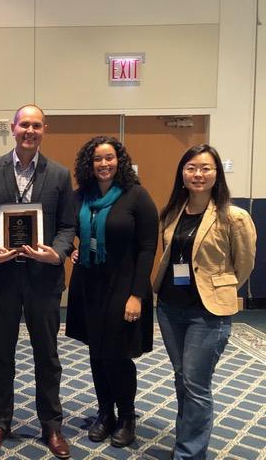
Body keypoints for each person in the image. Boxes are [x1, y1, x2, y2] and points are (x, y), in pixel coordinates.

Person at [0, 105, 75, 459]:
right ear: (13, 129)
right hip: (2, 277)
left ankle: (52, 424)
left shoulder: (60, 175)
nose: (29, 131)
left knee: (47, 354)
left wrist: (57, 254)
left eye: (36, 125)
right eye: (24, 125)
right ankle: (0, 422)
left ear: (43, 129)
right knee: (2, 353)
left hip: (43, 278)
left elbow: (67, 226)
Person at [153, 144, 256, 460]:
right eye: (191, 168)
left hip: (207, 312)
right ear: (182, 174)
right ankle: (187, 438)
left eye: (205, 168)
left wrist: (219, 289)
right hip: (170, 307)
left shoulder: (234, 216)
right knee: (181, 377)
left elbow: (245, 264)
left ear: (217, 174)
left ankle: (189, 453)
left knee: (196, 384)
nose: (198, 174)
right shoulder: (172, 212)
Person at [66, 136, 158, 448]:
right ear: (88, 165)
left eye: (109, 158)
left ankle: (127, 415)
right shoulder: (81, 197)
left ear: (119, 160)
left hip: (124, 285)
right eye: (97, 159)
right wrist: (71, 252)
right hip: (89, 285)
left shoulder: (136, 195)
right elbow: (65, 231)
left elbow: (147, 248)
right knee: (96, 352)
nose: (104, 164)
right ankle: (105, 413)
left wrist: (137, 296)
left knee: (117, 355)